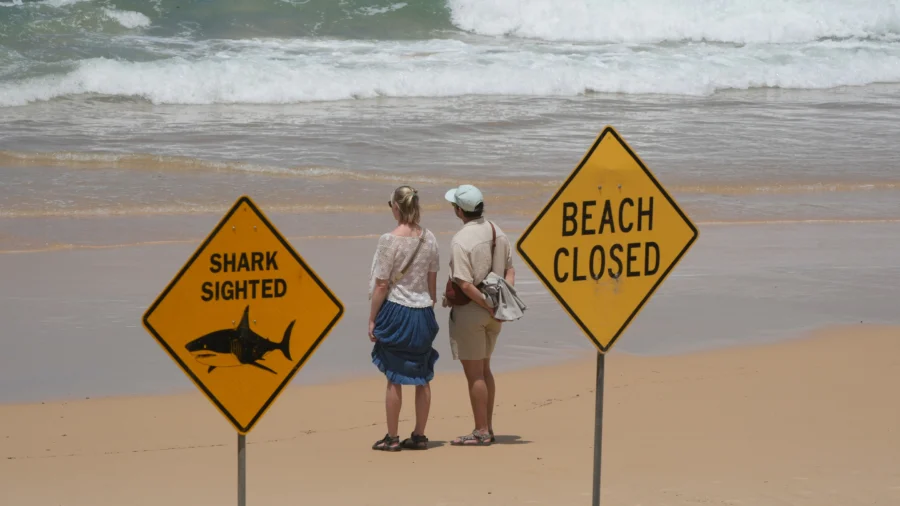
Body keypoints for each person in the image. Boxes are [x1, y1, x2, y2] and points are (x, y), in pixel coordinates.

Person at [442, 184, 515, 446]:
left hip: (473, 312)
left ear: (460, 211)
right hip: (495, 313)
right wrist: (499, 304)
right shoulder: (498, 231)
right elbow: (509, 271)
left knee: (475, 375)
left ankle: (481, 431)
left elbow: (464, 283)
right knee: (485, 370)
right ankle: (488, 427)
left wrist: (486, 304)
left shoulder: (461, 240)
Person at [369, 185, 441, 452]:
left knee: (394, 374)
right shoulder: (430, 237)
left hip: (397, 311)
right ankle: (420, 435)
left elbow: (380, 285)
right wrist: (428, 302)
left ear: (396, 207)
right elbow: (432, 279)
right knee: (423, 375)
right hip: (423, 311)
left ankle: (392, 437)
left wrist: (372, 319)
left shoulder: (389, 240)